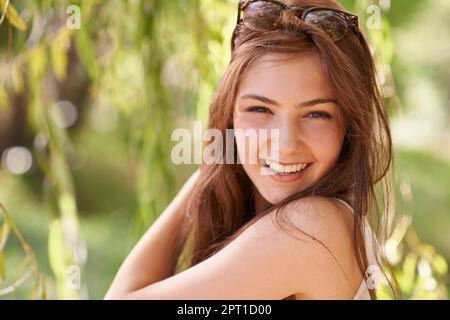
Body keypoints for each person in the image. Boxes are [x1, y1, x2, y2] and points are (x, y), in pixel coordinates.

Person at [105, 0, 397, 300]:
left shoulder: (311, 229)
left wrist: (220, 156)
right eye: (260, 109)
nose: (285, 144)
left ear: (349, 126)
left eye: (316, 114)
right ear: (229, 114)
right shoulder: (331, 224)